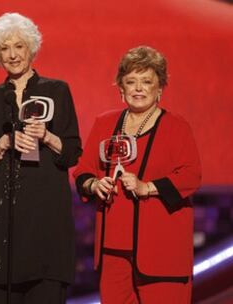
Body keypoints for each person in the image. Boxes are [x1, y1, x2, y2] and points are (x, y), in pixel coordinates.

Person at [73, 45, 201, 303]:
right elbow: (82, 172)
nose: (139, 88)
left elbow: (191, 176)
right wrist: (94, 184)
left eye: (147, 81)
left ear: (160, 88)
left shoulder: (177, 127)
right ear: (121, 88)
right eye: (131, 82)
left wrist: (147, 187)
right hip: (113, 254)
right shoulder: (105, 123)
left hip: (162, 253)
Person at [0, 12, 82, 304]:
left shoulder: (56, 90)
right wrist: (4, 142)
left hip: (46, 218)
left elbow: (72, 152)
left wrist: (46, 136)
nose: (12, 55)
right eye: (4, 48)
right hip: (2, 220)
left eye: (18, 46)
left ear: (31, 48)